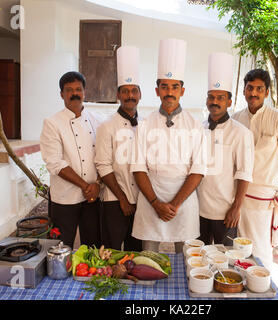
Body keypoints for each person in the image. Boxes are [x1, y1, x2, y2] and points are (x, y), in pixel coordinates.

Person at [130, 38, 206, 254]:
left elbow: (198, 170)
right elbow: (138, 168)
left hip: (184, 202)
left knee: (188, 260)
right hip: (150, 198)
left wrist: (174, 204)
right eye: (165, 87)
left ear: (182, 90)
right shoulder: (145, 124)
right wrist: (156, 203)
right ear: (157, 91)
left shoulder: (195, 125)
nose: (169, 92)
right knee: (148, 259)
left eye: (175, 87)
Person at [232, 68, 278, 270]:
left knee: (260, 249)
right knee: (237, 248)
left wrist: (264, 170)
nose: (254, 93)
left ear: (267, 92)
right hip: (235, 196)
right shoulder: (235, 119)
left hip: (262, 198)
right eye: (250, 88)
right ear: (244, 91)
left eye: (259, 89)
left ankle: (262, 287)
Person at [40, 71, 102, 249]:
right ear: (61, 94)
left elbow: (103, 158)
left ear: (84, 92)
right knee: (61, 247)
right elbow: (55, 163)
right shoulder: (52, 123)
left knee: (93, 246)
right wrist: (85, 186)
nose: (74, 93)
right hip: (65, 198)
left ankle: (89, 276)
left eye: (78, 89)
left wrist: (97, 184)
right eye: (69, 90)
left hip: (92, 196)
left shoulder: (96, 121)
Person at [197, 53, 254, 247]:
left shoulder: (241, 133)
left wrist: (236, 208)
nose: (215, 101)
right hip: (197, 209)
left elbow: (244, 173)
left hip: (225, 212)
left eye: (220, 98)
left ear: (229, 102)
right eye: (211, 97)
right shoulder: (198, 129)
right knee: (196, 259)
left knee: (226, 261)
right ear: (206, 100)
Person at [95, 46, 142, 251]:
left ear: (140, 94)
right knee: (111, 252)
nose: (129, 95)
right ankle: (110, 285)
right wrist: (122, 198)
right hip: (114, 201)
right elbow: (103, 165)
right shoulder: (107, 126)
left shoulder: (146, 125)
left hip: (141, 201)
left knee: (136, 255)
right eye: (125, 91)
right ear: (118, 94)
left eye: (133, 91)